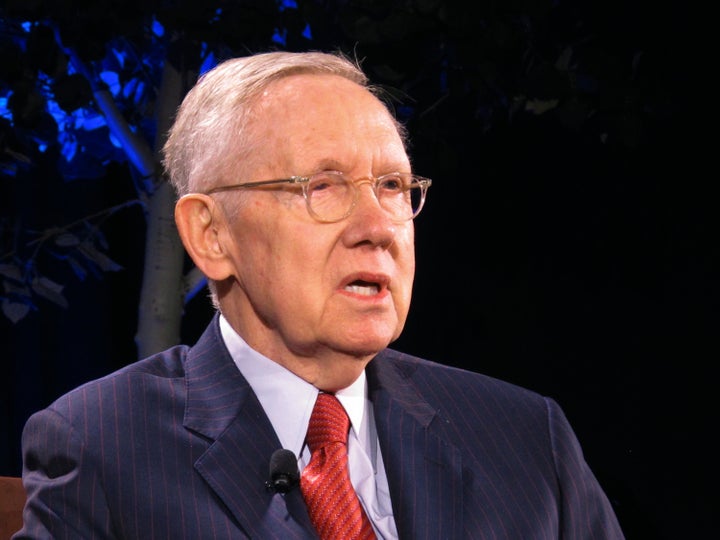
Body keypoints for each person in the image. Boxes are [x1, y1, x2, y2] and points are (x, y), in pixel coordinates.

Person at [14, 50, 625, 539]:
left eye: (392, 185)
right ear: (211, 234)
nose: (379, 227)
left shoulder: (526, 438)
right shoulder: (100, 447)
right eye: (324, 186)